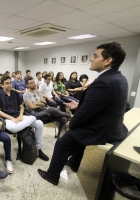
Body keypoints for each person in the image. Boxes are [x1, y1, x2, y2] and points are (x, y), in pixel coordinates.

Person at [38, 42, 128, 186]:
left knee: (62, 143)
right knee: (78, 139)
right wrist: (79, 104)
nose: (91, 59)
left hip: (100, 129)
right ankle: (73, 163)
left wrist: (71, 123)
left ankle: (52, 176)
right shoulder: (119, 78)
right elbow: (101, 104)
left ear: (108, 60)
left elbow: (85, 114)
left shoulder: (103, 82)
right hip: (112, 126)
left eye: (95, 56)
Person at [0, 76, 49, 161]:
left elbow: (21, 107)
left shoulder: (15, 93)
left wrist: (20, 116)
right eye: (7, 83)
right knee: (14, 129)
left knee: (39, 124)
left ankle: (39, 149)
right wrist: (12, 118)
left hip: (19, 117)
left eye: (10, 83)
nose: (9, 85)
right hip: (8, 119)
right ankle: (35, 117)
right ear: (2, 85)